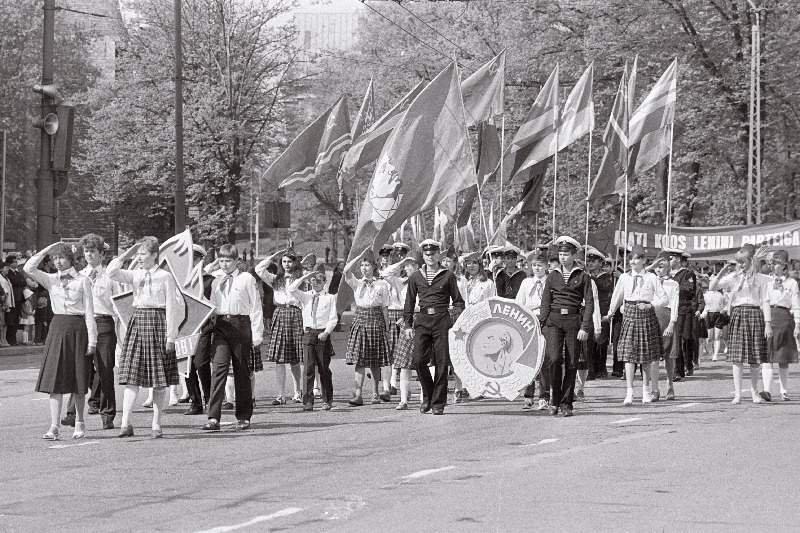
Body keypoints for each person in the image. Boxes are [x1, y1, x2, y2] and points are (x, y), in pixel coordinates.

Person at [108, 237, 181, 438]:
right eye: (138, 254)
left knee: (159, 379)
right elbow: (111, 272)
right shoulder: (134, 274)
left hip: (158, 321)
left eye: (143, 254)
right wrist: (128, 253)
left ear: (154, 255)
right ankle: (125, 423)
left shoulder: (165, 276)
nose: (139, 258)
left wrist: (171, 337)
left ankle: (156, 424)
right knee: (132, 377)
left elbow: (172, 308)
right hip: (139, 321)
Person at [24, 243, 96, 440]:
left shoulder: (83, 281)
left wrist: (92, 340)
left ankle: (79, 422)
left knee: (77, 381)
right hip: (57, 328)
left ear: (71, 260)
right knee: (54, 380)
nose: (57, 261)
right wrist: (46, 250)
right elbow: (28, 268)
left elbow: (89, 311)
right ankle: (54, 426)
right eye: (55, 258)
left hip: (77, 329)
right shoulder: (50, 279)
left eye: (61, 258)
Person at [202, 244, 263, 431]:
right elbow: (209, 302)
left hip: (240, 325)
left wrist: (257, 334)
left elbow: (255, 306)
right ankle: (213, 417)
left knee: (241, 371)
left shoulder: (246, 279)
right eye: (221, 260)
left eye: (228, 260)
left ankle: (244, 416)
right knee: (219, 369)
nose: (224, 264)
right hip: (221, 325)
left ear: (237, 261)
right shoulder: (216, 279)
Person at [402, 239, 464, 415]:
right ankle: (428, 396)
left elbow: (458, 301)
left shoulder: (448, 276)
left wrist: (457, 320)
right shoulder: (416, 276)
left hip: (441, 320)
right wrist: (407, 324)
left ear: (439, 255)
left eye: (433, 254)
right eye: (427, 254)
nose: (430, 257)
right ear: (423, 255)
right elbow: (409, 302)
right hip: (422, 320)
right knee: (419, 361)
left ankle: (438, 403)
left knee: (442, 363)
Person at [709, 244, 772, 404]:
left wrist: (768, 323)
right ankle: (737, 394)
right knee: (737, 358)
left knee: (754, 358)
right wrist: (722, 272)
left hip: (755, 314)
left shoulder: (761, 279)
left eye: (743, 262)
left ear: (751, 261)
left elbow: (765, 301)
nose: (740, 265)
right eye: (738, 262)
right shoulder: (734, 277)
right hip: (738, 314)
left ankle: (754, 392)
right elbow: (712, 287)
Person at [539, 236, 594, 417]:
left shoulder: (582, 276)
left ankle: (566, 403)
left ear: (574, 255)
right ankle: (554, 400)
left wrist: (585, 327)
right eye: (561, 254)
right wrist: (543, 323)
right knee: (554, 359)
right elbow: (546, 301)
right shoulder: (552, 275)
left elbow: (589, 303)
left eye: (566, 254)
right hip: (554, 320)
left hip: (573, 320)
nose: (563, 257)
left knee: (572, 363)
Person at [605, 245, 665, 404]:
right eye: (631, 258)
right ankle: (629, 392)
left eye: (637, 258)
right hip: (630, 314)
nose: (633, 261)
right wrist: (611, 313)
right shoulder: (624, 277)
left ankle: (645, 390)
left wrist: (650, 305)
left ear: (644, 260)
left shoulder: (651, 277)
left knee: (646, 356)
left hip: (646, 314)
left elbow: (664, 299)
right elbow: (617, 297)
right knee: (629, 355)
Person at [77, 234, 119, 430]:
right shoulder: (80, 275)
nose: (89, 255)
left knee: (105, 370)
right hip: (84, 324)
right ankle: (82, 408)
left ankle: (108, 414)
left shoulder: (110, 276)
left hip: (103, 323)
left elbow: (119, 302)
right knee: (82, 371)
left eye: (93, 252)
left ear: (102, 254)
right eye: (86, 252)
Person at [255, 248, 304, 405]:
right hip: (280, 314)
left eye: (290, 261)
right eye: (284, 261)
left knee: (295, 358)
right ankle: (281, 394)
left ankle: (297, 392)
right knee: (279, 359)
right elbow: (259, 269)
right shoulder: (276, 279)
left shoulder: (302, 279)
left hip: (295, 315)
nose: (287, 264)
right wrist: (272, 257)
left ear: (295, 263)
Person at [343, 249, 391, 406]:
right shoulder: (357, 282)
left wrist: (387, 328)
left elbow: (384, 307)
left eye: (367, 265)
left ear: (374, 266)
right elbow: (345, 270)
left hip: (376, 319)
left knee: (375, 360)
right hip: (360, 319)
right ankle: (358, 394)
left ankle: (376, 392)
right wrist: (357, 256)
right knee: (359, 359)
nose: (364, 268)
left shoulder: (382, 284)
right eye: (362, 265)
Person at [289, 266, 338, 411]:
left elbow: (333, 318)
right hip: (309, 333)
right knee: (308, 368)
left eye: (318, 281)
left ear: (324, 282)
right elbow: (291, 289)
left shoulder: (329, 298)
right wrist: (304, 278)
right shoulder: (306, 296)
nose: (315, 283)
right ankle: (308, 400)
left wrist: (327, 332)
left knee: (323, 368)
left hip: (322, 333)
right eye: (313, 280)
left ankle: (327, 399)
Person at [456, 251, 496, 402]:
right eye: (468, 263)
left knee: (480, 354)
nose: (471, 266)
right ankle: (466, 386)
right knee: (465, 353)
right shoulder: (461, 281)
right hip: (463, 319)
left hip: (481, 319)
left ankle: (481, 386)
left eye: (474, 263)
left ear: (480, 265)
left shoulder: (487, 283)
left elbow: (492, 303)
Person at [761, 250, 800, 401]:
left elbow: (796, 305)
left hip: (785, 319)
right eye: (771, 262)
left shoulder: (792, 283)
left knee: (783, 358)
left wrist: (797, 325)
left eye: (775, 262)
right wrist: (767, 323)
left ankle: (784, 390)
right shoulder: (766, 280)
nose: (772, 265)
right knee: (767, 356)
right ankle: (766, 390)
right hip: (770, 316)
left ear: (784, 265)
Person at [388, 252, 423, 410]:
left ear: (417, 266)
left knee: (424, 361)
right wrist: (402, 261)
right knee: (404, 364)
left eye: (410, 265)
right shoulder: (401, 283)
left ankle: (424, 397)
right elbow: (386, 274)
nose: (406, 268)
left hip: (422, 320)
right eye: (406, 265)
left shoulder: (425, 282)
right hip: (407, 322)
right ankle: (403, 400)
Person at [516, 250, 549, 410]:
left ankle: (544, 395)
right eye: (534, 265)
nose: (537, 269)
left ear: (546, 266)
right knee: (529, 359)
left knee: (544, 360)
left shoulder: (550, 281)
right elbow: (519, 303)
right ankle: (528, 395)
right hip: (529, 322)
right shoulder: (526, 283)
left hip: (546, 321)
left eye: (540, 265)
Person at [184, 245, 214, 415]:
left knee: (201, 363)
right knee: (187, 366)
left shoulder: (210, 280)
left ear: (199, 260)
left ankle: (210, 398)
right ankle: (195, 402)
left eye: (193, 259)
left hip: (204, 326)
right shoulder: (183, 281)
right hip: (187, 327)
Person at [665, 249, 697, 380]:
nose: (669, 261)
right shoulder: (665, 275)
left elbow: (689, 290)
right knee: (672, 338)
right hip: (667, 308)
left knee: (677, 338)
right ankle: (677, 369)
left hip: (681, 308)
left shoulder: (687, 273)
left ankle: (678, 370)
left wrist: (673, 285)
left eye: (671, 258)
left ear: (678, 259)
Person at [651, 252, 679, 400]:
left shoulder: (673, 284)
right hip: (652, 317)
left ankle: (670, 384)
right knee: (653, 355)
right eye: (657, 267)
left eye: (661, 266)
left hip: (667, 318)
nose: (658, 270)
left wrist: (671, 324)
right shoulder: (650, 281)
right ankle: (654, 388)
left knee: (669, 355)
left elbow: (674, 305)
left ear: (668, 267)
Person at [700, 283, 727, 362]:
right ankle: (711, 353)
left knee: (717, 337)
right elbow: (705, 306)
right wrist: (703, 315)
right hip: (709, 314)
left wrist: (724, 310)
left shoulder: (721, 295)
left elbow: (726, 304)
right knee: (709, 338)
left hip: (719, 314)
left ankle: (715, 355)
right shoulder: (706, 295)